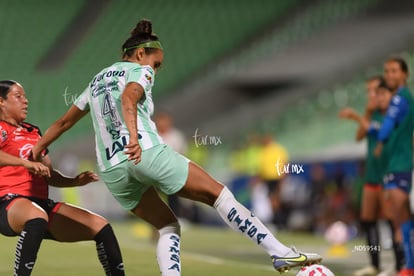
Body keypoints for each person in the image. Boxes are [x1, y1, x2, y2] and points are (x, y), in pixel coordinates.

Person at [32, 19, 322, 274]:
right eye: (156, 63)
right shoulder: (141, 72)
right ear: (141, 54)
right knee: (220, 196)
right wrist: (133, 136)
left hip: (112, 171)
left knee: (168, 226)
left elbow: (62, 123)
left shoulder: (96, 81)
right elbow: (129, 99)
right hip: (143, 152)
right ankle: (281, 254)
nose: (156, 70)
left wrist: (36, 150)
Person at [0, 80, 125, 276]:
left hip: (40, 205)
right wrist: (25, 163)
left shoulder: (33, 132)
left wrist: (74, 181)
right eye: (18, 96)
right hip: (7, 203)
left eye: (25, 96)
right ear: (1, 101)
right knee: (36, 218)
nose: (25, 101)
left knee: (101, 227)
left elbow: (49, 174)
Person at [339, 76, 404, 275]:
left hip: (388, 175)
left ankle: (399, 265)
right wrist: (366, 112)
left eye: (374, 90)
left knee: (391, 221)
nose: (371, 95)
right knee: (368, 220)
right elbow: (359, 136)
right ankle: (375, 265)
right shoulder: (373, 114)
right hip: (371, 175)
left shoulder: (392, 115)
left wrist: (358, 116)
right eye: (368, 91)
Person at [374, 57, 414, 276]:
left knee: (402, 220)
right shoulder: (404, 98)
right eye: (387, 71)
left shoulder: (399, 98)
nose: (389, 75)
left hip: (400, 164)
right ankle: (408, 266)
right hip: (398, 163)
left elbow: (385, 131)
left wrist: (380, 137)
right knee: (402, 219)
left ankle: (408, 267)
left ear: (404, 74)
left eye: (394, 71)